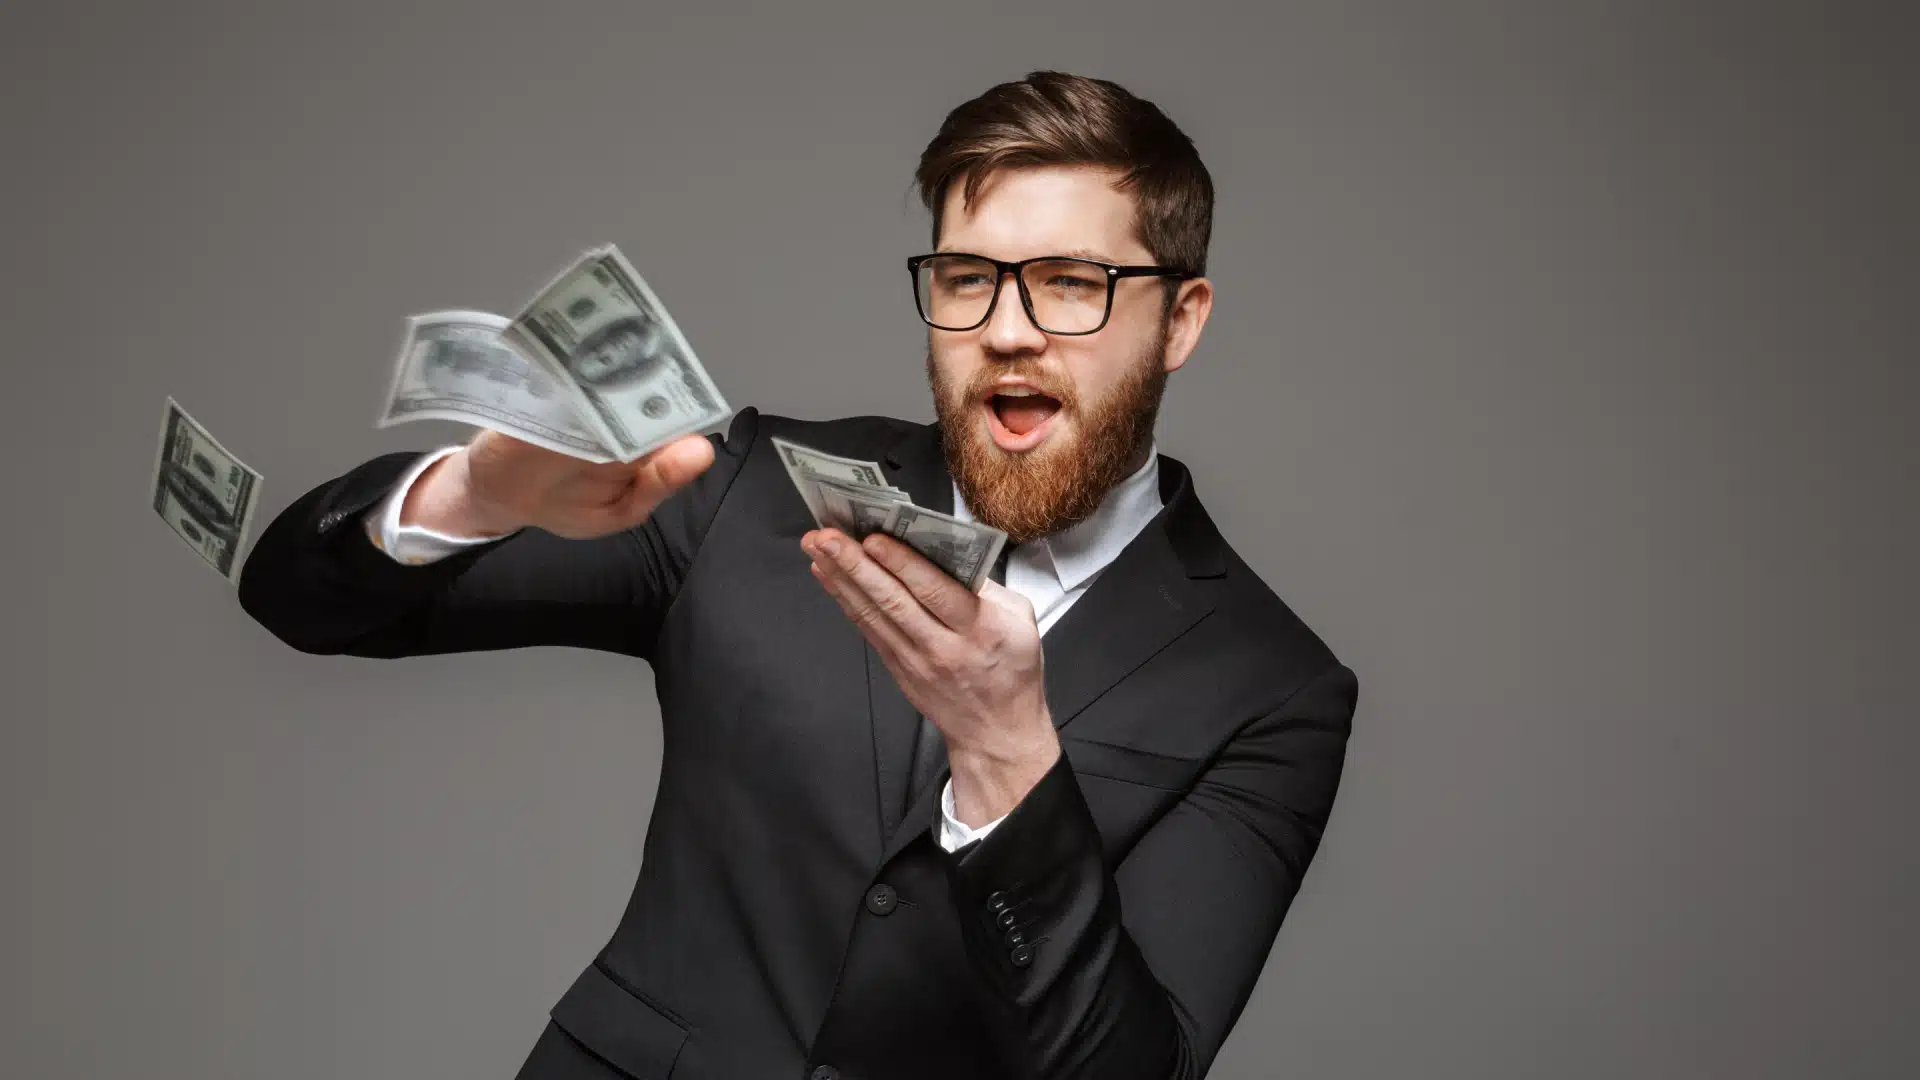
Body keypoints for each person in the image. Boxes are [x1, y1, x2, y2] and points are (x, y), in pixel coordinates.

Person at [239, 70, 1358, 1080]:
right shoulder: (746, 488)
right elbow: (297, 599)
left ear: (1179, 321)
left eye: (1071, 283)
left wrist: (1010, 759)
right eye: (969, 277)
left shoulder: (1273, 688)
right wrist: (472, 497)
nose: (1009, 331)